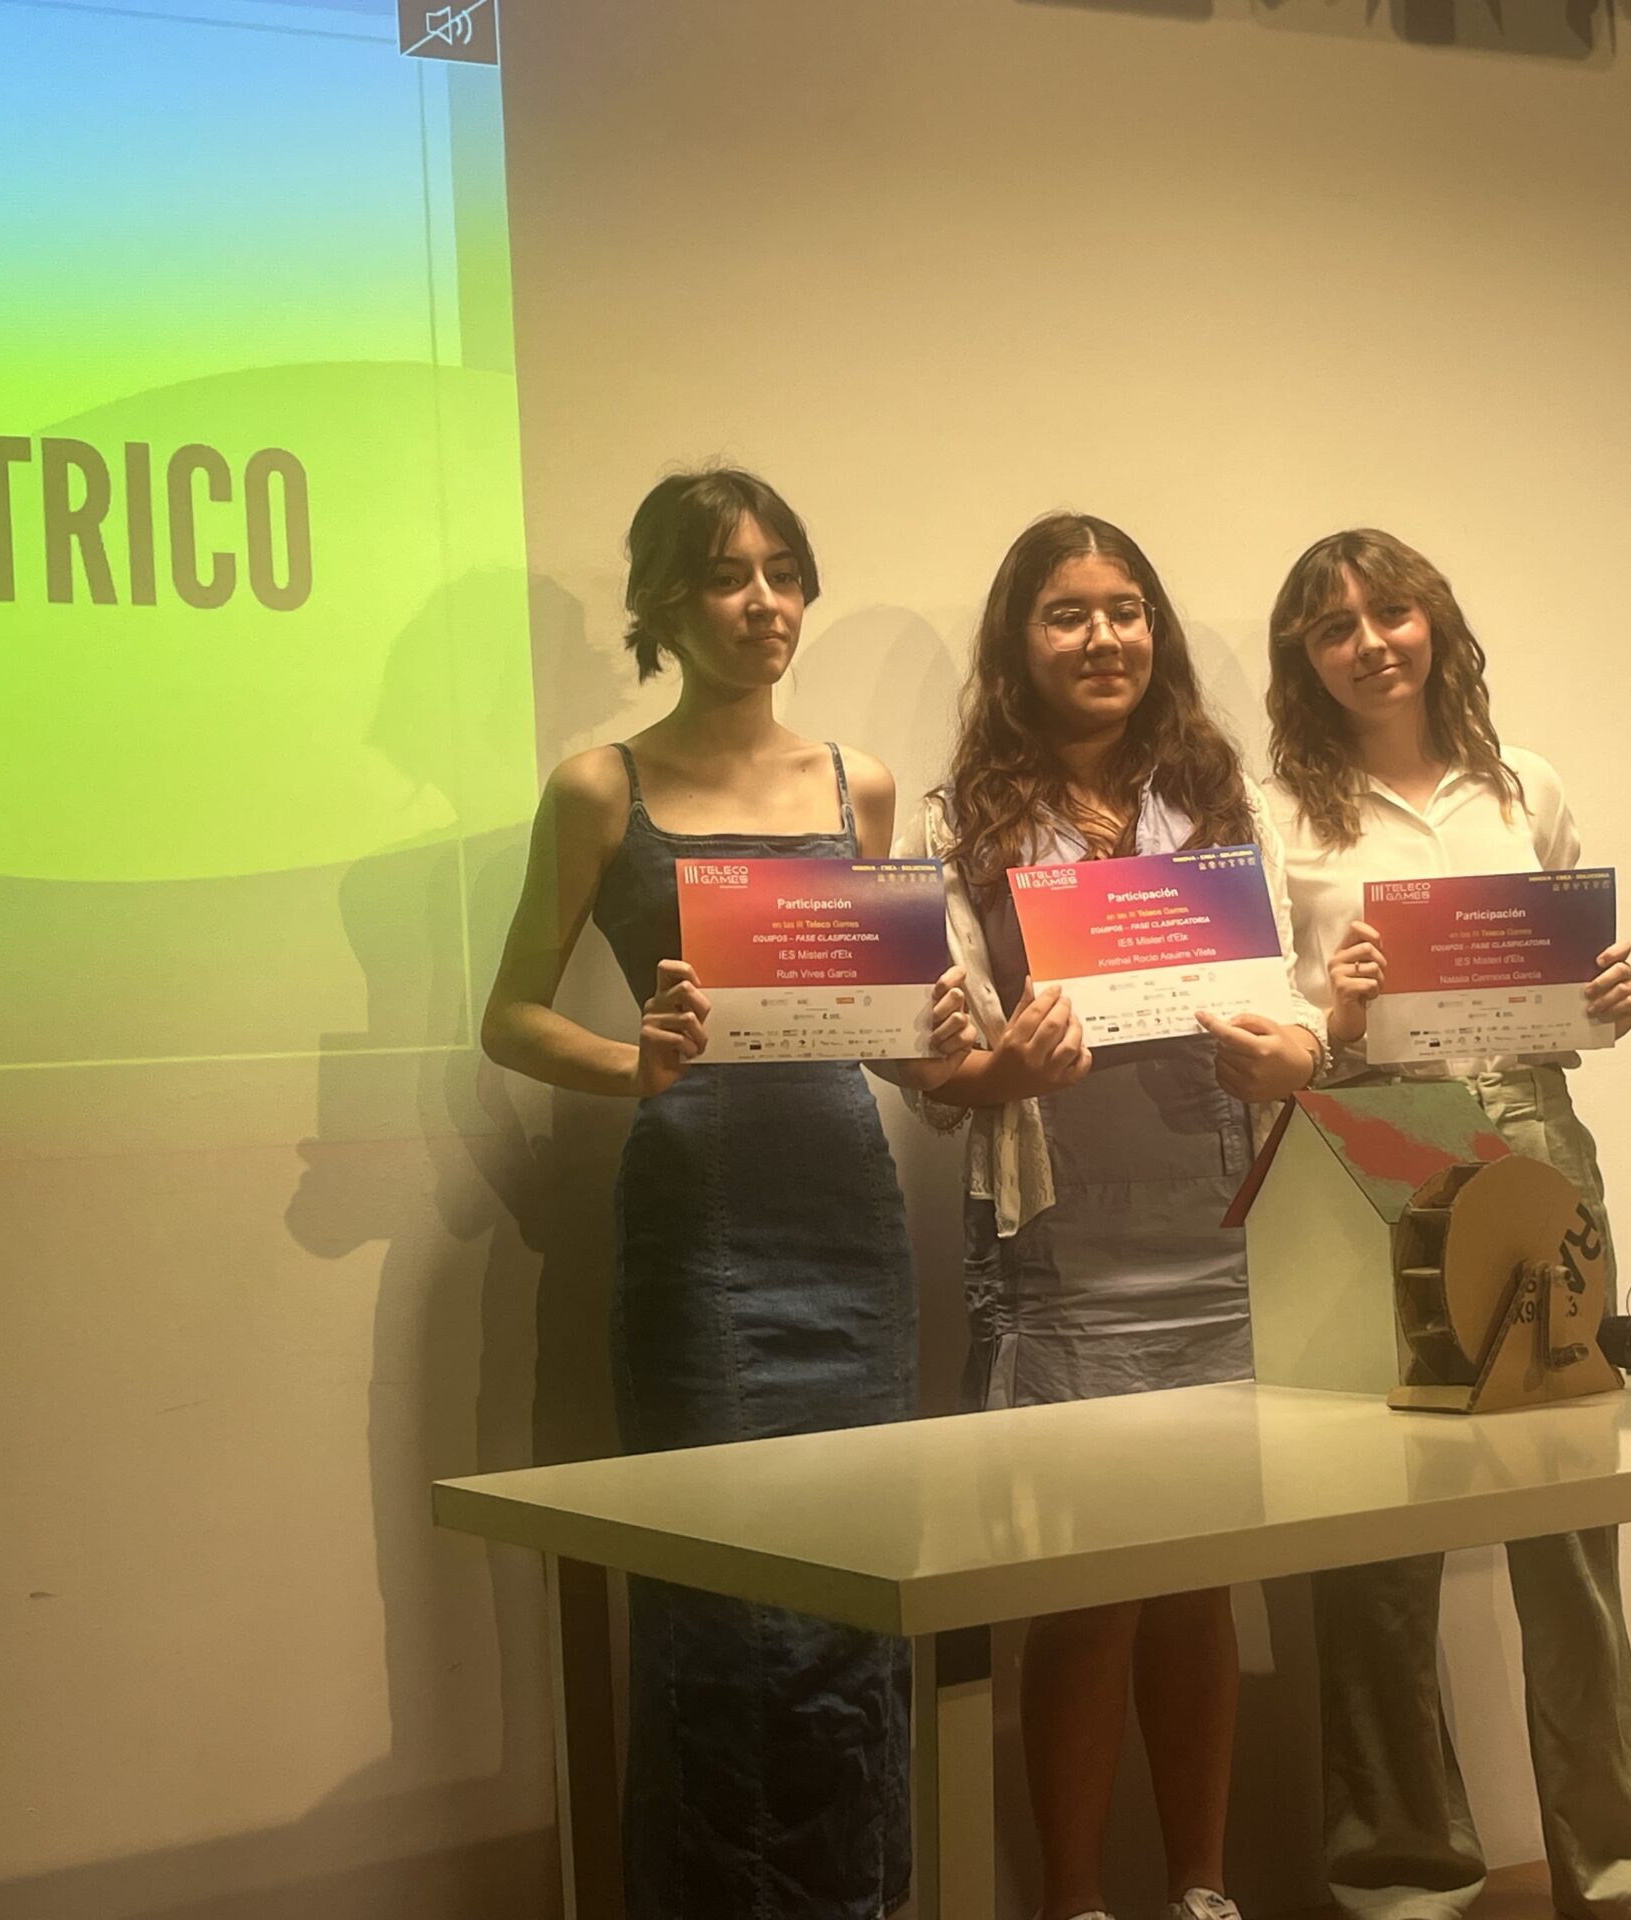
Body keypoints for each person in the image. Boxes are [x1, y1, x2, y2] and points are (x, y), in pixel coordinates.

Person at [479, 467, 972, 1920]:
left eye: (784, 573)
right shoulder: (600, 788)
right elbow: (509, 1017)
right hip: (698, 1232)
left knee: (861, 1579)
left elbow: (879, 1033)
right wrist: (630, 1063)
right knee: (723, 1594)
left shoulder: (858, 783)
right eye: (726, 575)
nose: (765, 603)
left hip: (849, 1215)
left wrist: (934, 1026)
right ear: (661, 605)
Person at [1259, 528, 1631, 1920]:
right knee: (1375, 1525)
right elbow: (1268, 1018)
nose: (1369, 643)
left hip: (1534, 1127)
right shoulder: (1276, 812)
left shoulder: (1528, 784)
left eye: (1390, 612)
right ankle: (1399, 1878)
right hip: (1377, 1133)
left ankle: (1629, 1869)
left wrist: (1612, 999)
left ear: (1435, 622)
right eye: (1333, 627)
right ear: (1304, 659)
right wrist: (1332, 1009)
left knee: (1569, 1501)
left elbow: (1569, 991)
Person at [912, 512, 1327, 1920]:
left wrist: (1291, 1049)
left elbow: (1291, 1003)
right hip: (1062, 1250)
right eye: (1068, 613)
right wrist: (999, 1073)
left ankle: (1202, 1891)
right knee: (1087, 1590)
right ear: (1017, 642)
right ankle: (1076, 1904)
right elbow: (930, 1059)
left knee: (1203, 1583)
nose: (1105, 638)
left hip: (1217, 1233)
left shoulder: (1223, 800)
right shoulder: (956, 825)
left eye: (1127, 609)